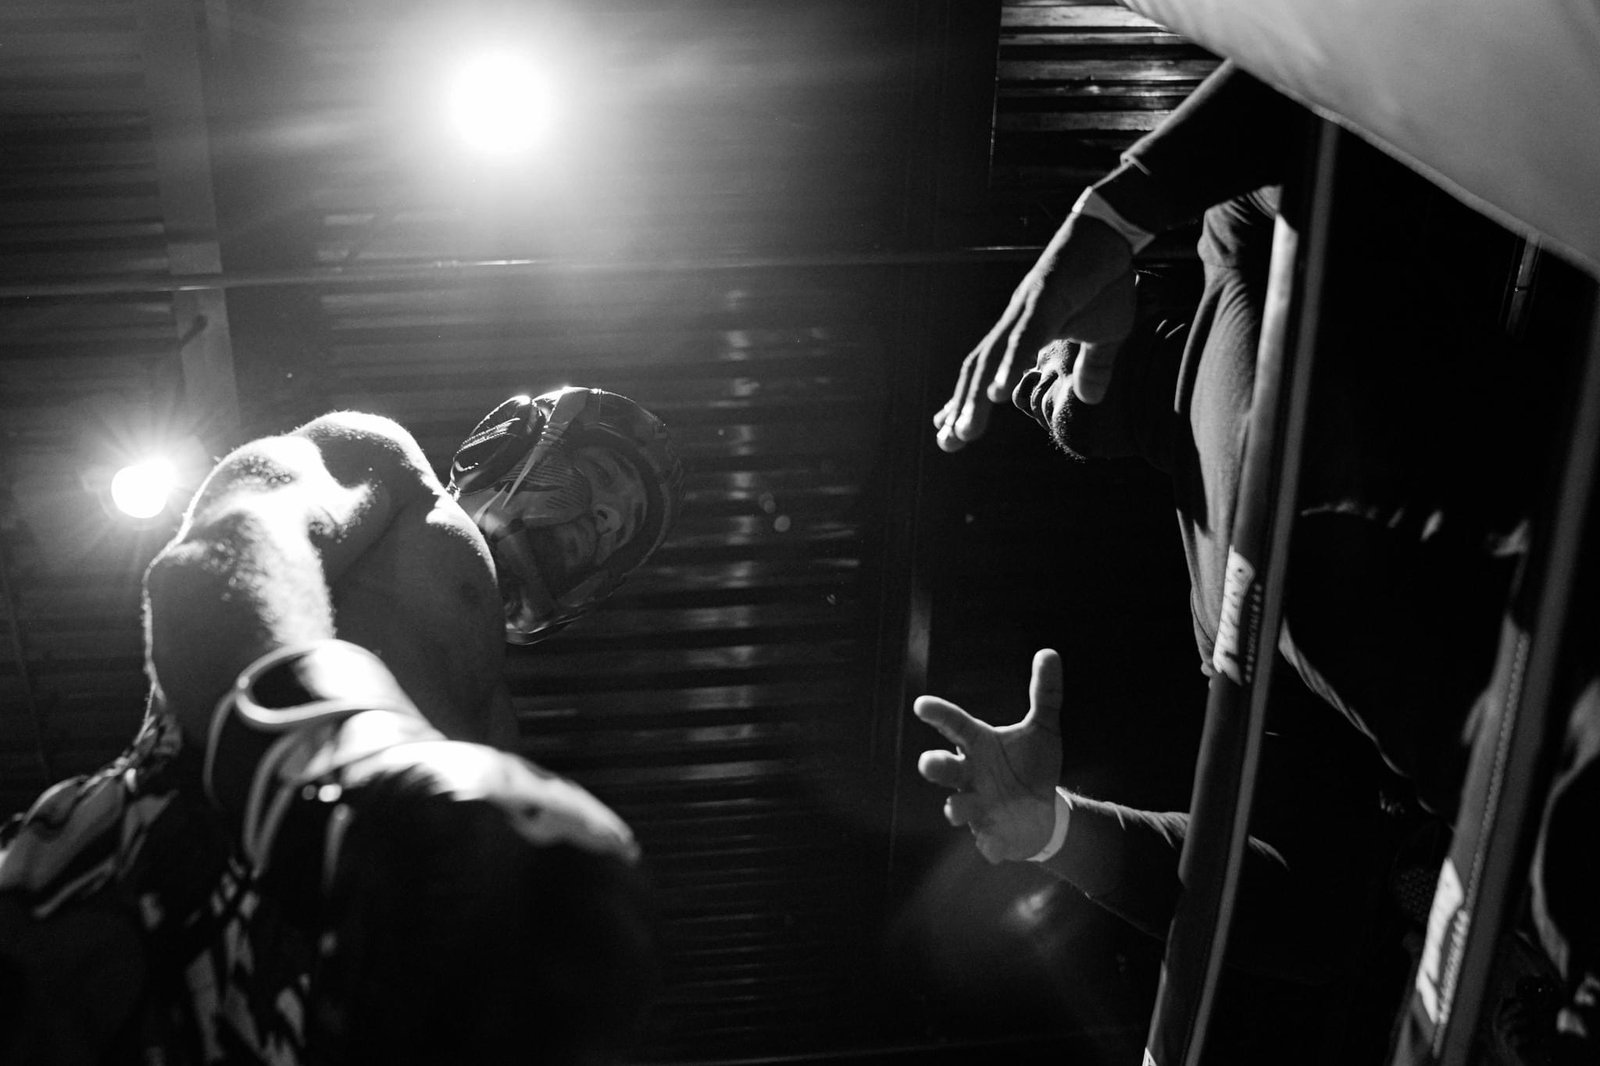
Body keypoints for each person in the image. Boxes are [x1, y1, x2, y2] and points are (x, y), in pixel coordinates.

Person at [915, 60, 1597, 1060]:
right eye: (1025, 394)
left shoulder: (1242, 255)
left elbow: (1330, 72)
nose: (1034, 381)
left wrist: (1110, 217)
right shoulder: (1214, 609)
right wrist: (1058, 831)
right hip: (1559, 860)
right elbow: (1311, 901)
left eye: (1038, 353)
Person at [0, 386, 684, 1065]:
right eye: (602, 477)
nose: (605, 520)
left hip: (290, 996)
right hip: (168, 848)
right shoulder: (391, 467)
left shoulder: (498, 736)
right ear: (511, 445)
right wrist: (327, 746)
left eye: (622, 528)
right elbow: (236, 541)